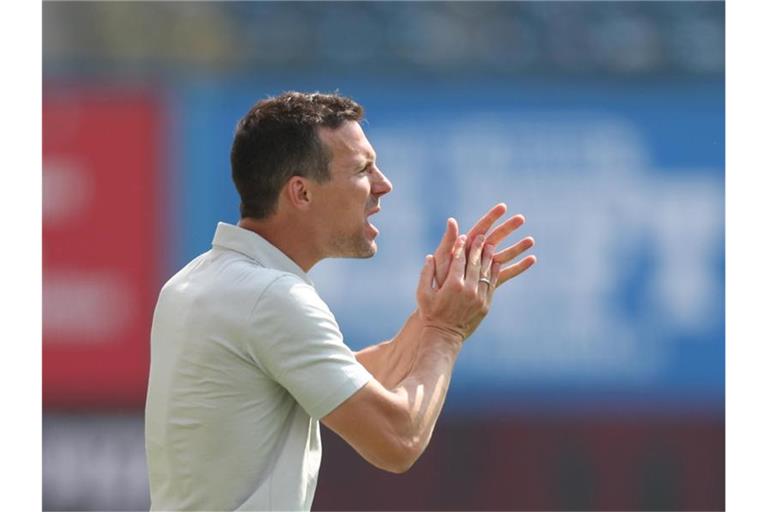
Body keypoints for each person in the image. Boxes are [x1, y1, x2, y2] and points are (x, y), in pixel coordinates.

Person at [144, 91, 536, 511]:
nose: (384, 186)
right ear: (302, 193)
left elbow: (354, 382)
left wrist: (432, 316)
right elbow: (397, 440)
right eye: (363, 169)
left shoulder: (201, 280)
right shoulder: (272, 298)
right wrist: (446, 332)